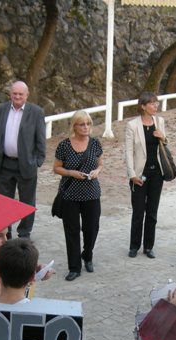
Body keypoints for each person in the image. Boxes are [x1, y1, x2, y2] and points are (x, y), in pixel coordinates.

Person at [53, 111, 103, 282]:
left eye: (88, 124)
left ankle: (87, 255)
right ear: (74, 126)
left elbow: (100, 163)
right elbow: (56, 168)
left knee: (92, 228)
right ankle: (74, 267)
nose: (86, 127)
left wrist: (97, 171)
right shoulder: (64, 145)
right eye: (82, 124)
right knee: (72, 231)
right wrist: (71, 173)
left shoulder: (95, 143)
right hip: (70, 194)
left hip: (91, 193)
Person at [0, 81, 46, 238]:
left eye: (21, 94)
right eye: (14, 93)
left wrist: (38, 161)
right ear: (10, 94)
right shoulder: (1, 110)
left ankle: (24, 233)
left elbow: (40, 139)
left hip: (26, 164)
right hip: (4, 163)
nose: (17, 96)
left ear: (27, 95)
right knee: (3, 201)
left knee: (27, 201)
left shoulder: (36, 112)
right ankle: (5, 231)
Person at [125, 91, 166, 259]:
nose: (155, 106)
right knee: (138, 212)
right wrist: (132, 175)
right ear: (143, 106)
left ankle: (149, 246)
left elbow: (164, 145)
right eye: (152, 103)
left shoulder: (160, 122)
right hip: (139, 174)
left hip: (157, 173)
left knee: (152, 212)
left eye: (156, 103)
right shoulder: (132, 125)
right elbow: (128, 152)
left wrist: (162, 137)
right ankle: (134, 246)